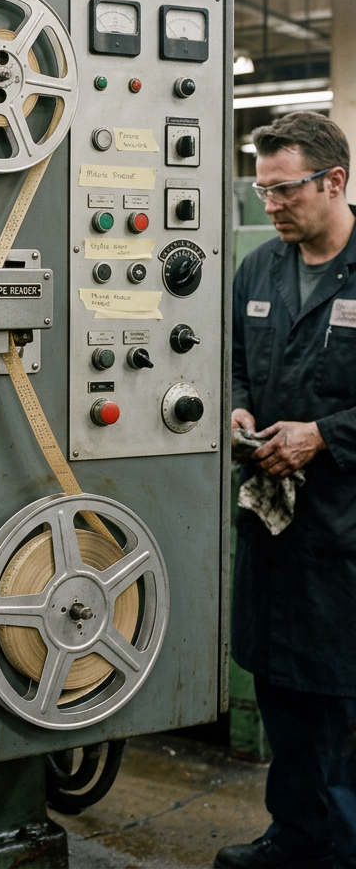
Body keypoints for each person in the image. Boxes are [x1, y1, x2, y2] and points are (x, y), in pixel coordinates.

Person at [215, 111, 356, 869]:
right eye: (262, 188)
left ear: (334, 182)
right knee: (281, 689)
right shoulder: (259, 269)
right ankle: (294, 839)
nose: (269, 204)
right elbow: (234, 360)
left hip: (344, 535)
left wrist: (323, 435)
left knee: (342, 705)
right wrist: (238, 406)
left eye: (284, 189)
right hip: (272, 531)